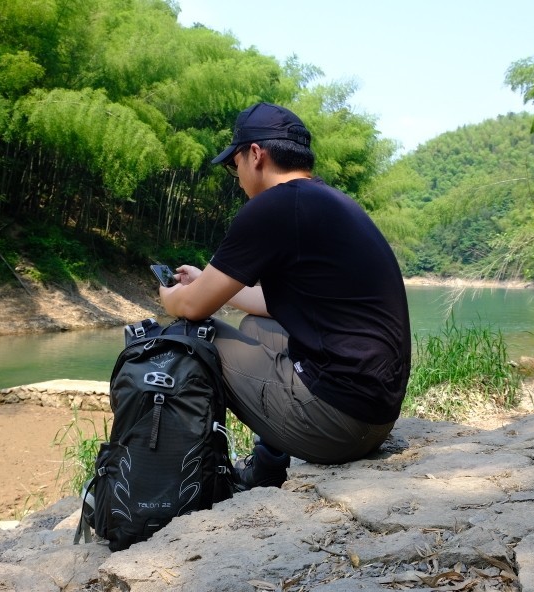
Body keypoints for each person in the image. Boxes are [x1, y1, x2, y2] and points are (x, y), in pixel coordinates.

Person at [159, 102, 411, 490]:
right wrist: (203, 279)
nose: (237, 175)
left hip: (335, 426)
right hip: (373, 419)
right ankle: (267, 466)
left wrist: (169, 293)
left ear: (256, 155)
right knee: (258, 326)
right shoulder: (327, 201)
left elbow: (192, 307)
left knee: (190, 340)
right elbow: (270, 304)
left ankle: (198, 478)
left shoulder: (272, 207)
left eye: (234, 165)